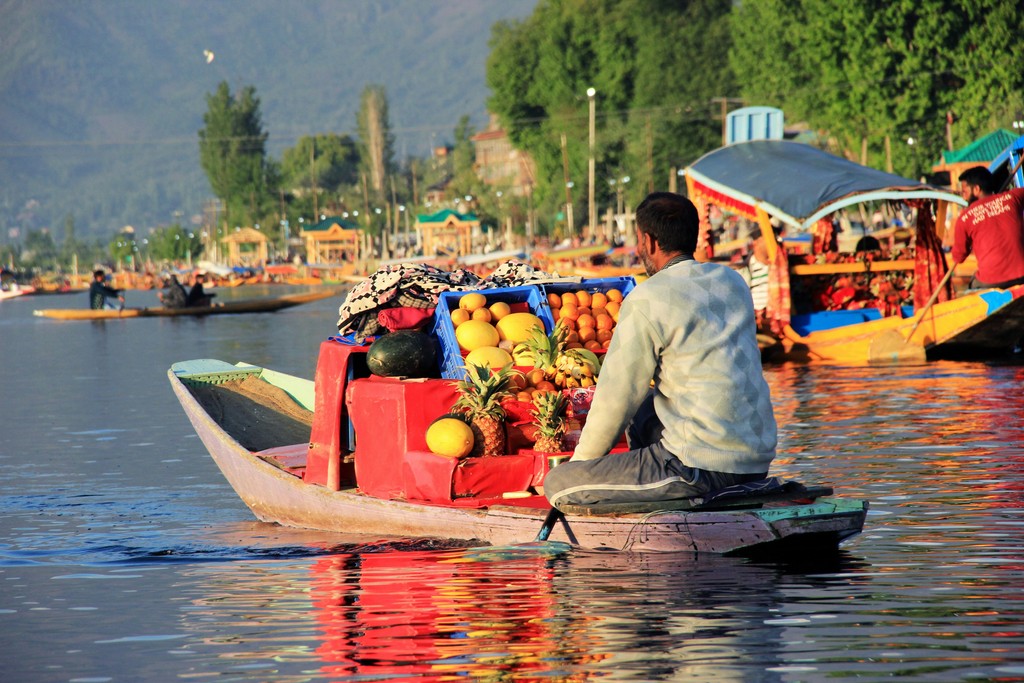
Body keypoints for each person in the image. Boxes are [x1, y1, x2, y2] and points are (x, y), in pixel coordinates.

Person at [543, 192, 778, 509]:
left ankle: (672, 503)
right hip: (755, 461)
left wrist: (581, 467)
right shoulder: (732, 281)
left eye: (639, 242)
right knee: (642, 410)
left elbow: (616, 397)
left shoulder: (647, 298)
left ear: (648, 241)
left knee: (558, 486)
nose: (638, 250)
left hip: (699, 467)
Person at [952, 166, 1024, 289]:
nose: (963, 197)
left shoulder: (964, 218)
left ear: (976, 189)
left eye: (965, 192)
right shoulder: (1013, 197)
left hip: (992, 281)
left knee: (972, 284)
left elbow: (958, 257)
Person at [739, 225, 771, 328]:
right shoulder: (744, 268)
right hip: (757, 320)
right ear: (756, 242)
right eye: (769, 238)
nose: (773, 242)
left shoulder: (779, 264)